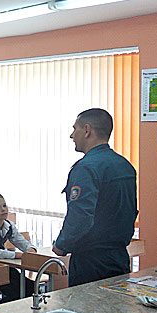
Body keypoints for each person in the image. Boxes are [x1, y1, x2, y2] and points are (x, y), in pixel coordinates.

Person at [53, 108, 137, 287]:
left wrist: (61, 245)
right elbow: (130, 211)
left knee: (86, 305)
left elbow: (80, 216)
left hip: (91, 262)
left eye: (74, 129)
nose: (71, 135)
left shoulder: (86, 168)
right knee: (115, 303)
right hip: (119, 258)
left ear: (87, 130)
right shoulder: (125, 165)